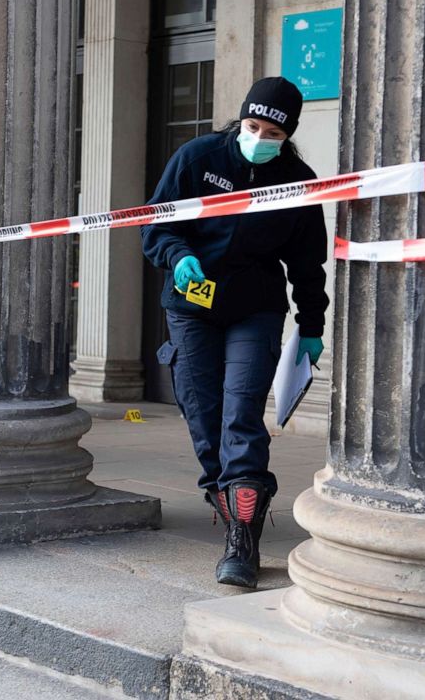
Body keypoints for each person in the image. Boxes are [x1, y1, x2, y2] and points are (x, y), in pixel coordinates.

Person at [141, 77, 329, 588]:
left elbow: (309, 266)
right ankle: (226, 499)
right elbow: (156, 225)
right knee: (203, 413)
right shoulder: (198, 157)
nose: (259, 137)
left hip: (256, 310)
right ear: (239, 119)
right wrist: (178, 256)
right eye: (252, 126)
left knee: (241, 414)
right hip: (191, 306)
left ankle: (242, 538)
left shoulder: (298, 182)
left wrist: (312, 327)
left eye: (271, 131)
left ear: (287, 134)